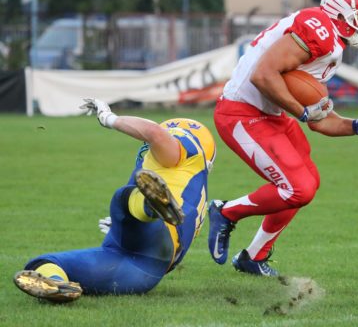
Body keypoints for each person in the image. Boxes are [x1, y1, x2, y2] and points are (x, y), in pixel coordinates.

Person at [207, 0, 358, 276]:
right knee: (298, 188)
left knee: (308, 180)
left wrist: (356, 127)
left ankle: (253, 256)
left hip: (269, 113)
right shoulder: (318, 28)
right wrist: (301, 111)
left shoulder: (331, 43)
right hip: (241, 113)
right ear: (343, 14)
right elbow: (263, 75)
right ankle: (225, 211)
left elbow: (319, 121)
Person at [13, 98, 216, 303]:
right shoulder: (195, 186)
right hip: (144, 270)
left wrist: (109, 118)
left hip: (151, 239)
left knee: (123, 197)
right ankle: (57, 287)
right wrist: (126, 225)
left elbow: (154, 133)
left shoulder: (187, 150)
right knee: (42, 264)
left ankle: (149, 207)